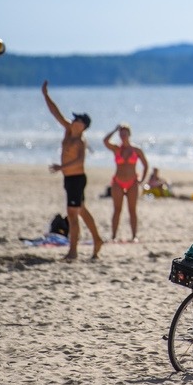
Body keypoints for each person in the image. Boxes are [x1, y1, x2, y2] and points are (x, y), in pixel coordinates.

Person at [42, 80, 103, 260]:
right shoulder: (68, 131)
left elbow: (80, 161)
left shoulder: (81, 141)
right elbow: (56, 113)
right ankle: (97, 240)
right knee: (81, 210)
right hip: (69, 179)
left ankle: (73, 251)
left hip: (76, 178)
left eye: (77, 119)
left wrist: (61, 167)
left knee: (73, 215)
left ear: (83, 125)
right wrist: (46, 95)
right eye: (74, 118)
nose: (73, 120)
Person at [102, 124, 149, 241]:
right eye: (121, 134)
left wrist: (142, 180)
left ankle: (134, 236)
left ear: (129, 134)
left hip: (132, 182)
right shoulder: (116, 149)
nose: (123, 136)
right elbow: (105, 141)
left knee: (132, 210)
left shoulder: (136, 150)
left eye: (125, 133)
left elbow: (145, 165)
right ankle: (113, 236)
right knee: (117, 209)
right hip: (118, 182)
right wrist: (114, 129)